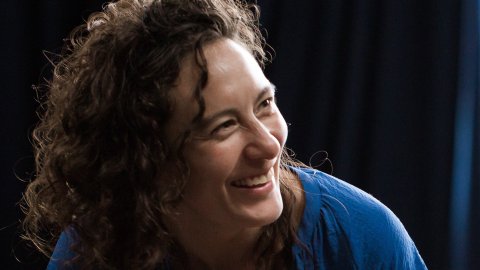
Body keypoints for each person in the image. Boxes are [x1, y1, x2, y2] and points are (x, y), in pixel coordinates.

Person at [22, 0, 427, 269]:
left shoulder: (362, 240)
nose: (269, 145)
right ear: (148, 160)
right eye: (224, 126)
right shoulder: (97, 249)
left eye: (264, 104)